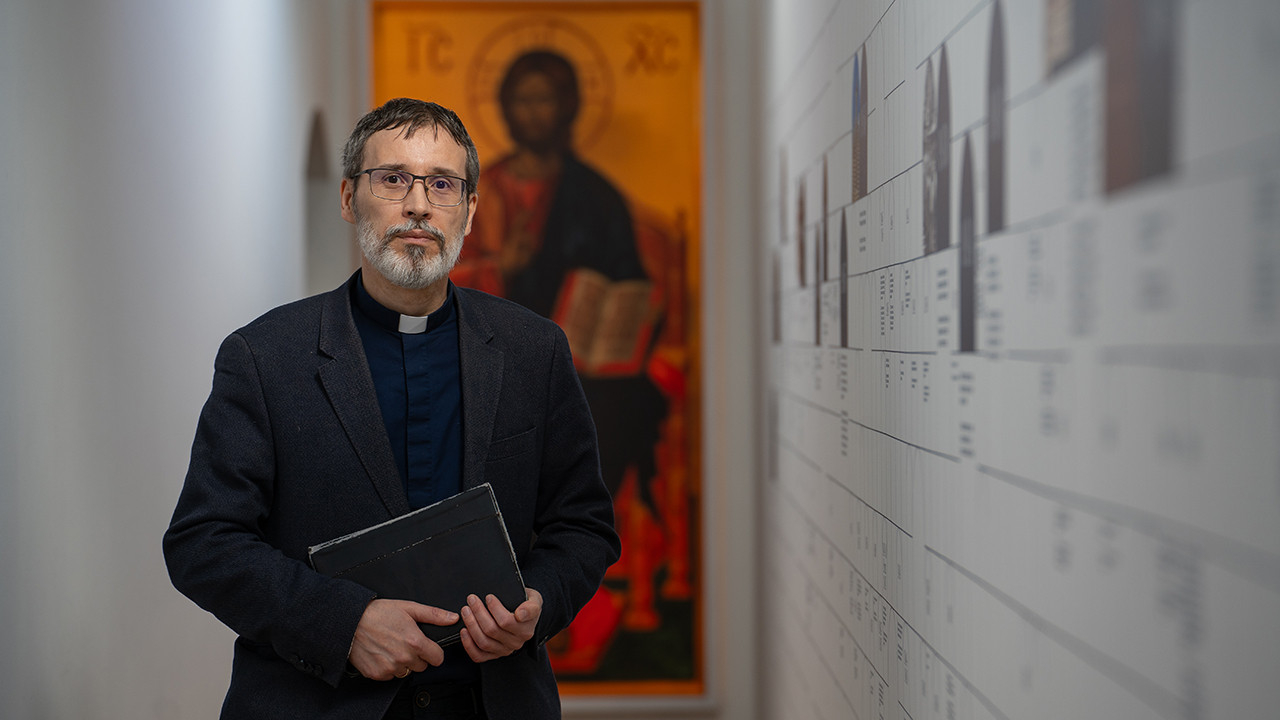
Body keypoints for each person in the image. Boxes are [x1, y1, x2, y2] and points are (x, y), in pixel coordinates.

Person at [163, 98, 621, 720]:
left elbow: (584, 524)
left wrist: (539, 603)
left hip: (489, 703)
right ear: (349, 198)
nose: (418, 205)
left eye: (442, 184)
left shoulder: (534, 350)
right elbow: (203, 542)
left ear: (470, 210)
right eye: (394, 179)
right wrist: (343, 623)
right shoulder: (265, 357)